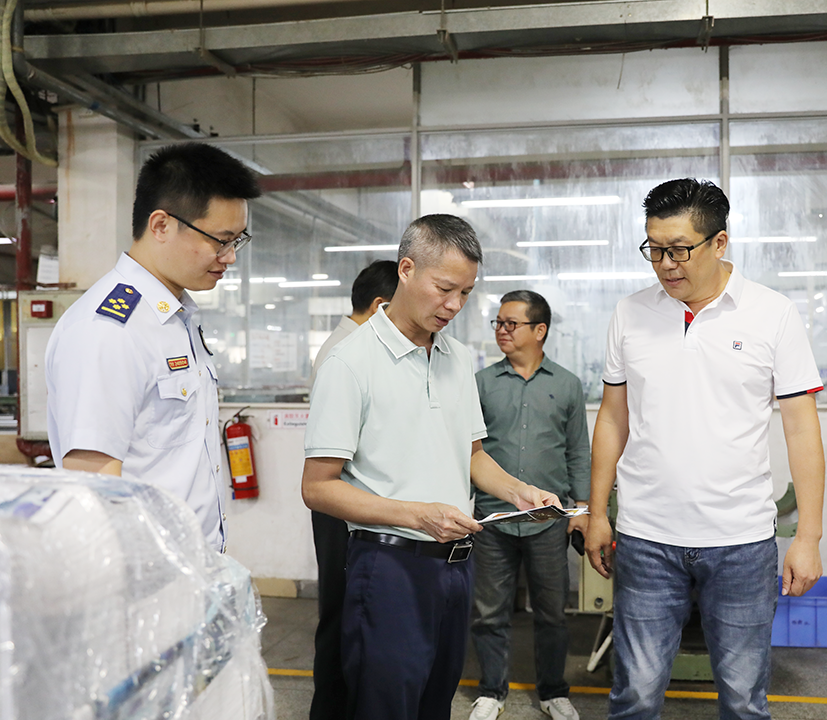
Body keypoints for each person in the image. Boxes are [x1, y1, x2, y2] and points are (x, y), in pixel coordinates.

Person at [301, 214, 560, 720]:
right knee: (385, 706)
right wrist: (418, 515)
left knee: (433, 705)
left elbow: (472, 455)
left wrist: (519, 492)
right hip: (389, 566)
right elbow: (318, 488)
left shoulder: (458, 357)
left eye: (466, 293)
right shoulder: (350, 362)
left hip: (456, 566)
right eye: (444, 289)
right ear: (406, 269)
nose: (455, 306)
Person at [584, 178, 825, 720]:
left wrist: (808, 537)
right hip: (646, 537)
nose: (666, 265)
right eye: (654, 250)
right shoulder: (630, 313)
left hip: (741, 540)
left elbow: (801, 430)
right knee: (634, 696)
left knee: (743, 699)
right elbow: (613, 417)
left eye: (679, 250)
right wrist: (597, 513)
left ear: (719, 243)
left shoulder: (772, 313)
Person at [45, 142, 261, 553]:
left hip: (192, 567)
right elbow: (93, 481)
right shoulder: (109, 331)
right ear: (160, 225)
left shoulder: (176, 318)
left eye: (238, 240)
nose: (230, 257)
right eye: (220, 240)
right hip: (145, 576)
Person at [469, 290, 591, 720]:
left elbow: (577, 450)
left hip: (548, 521)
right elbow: (468, 450)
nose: (501, 330)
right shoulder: (481, 384)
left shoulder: (567, 385)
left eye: (511, 323)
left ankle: (553, 692)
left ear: (540, 330)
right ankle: (491, 691)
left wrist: (582, 511)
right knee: (488, 613)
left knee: (552, 613)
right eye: (498, 323)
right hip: (492, 518)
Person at [308, 259, 398, 720]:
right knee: (342, 613)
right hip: (340, 502)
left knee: (347, 612)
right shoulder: (345, 353)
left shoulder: (350, 345)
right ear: (382, 305)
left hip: (350, 501)